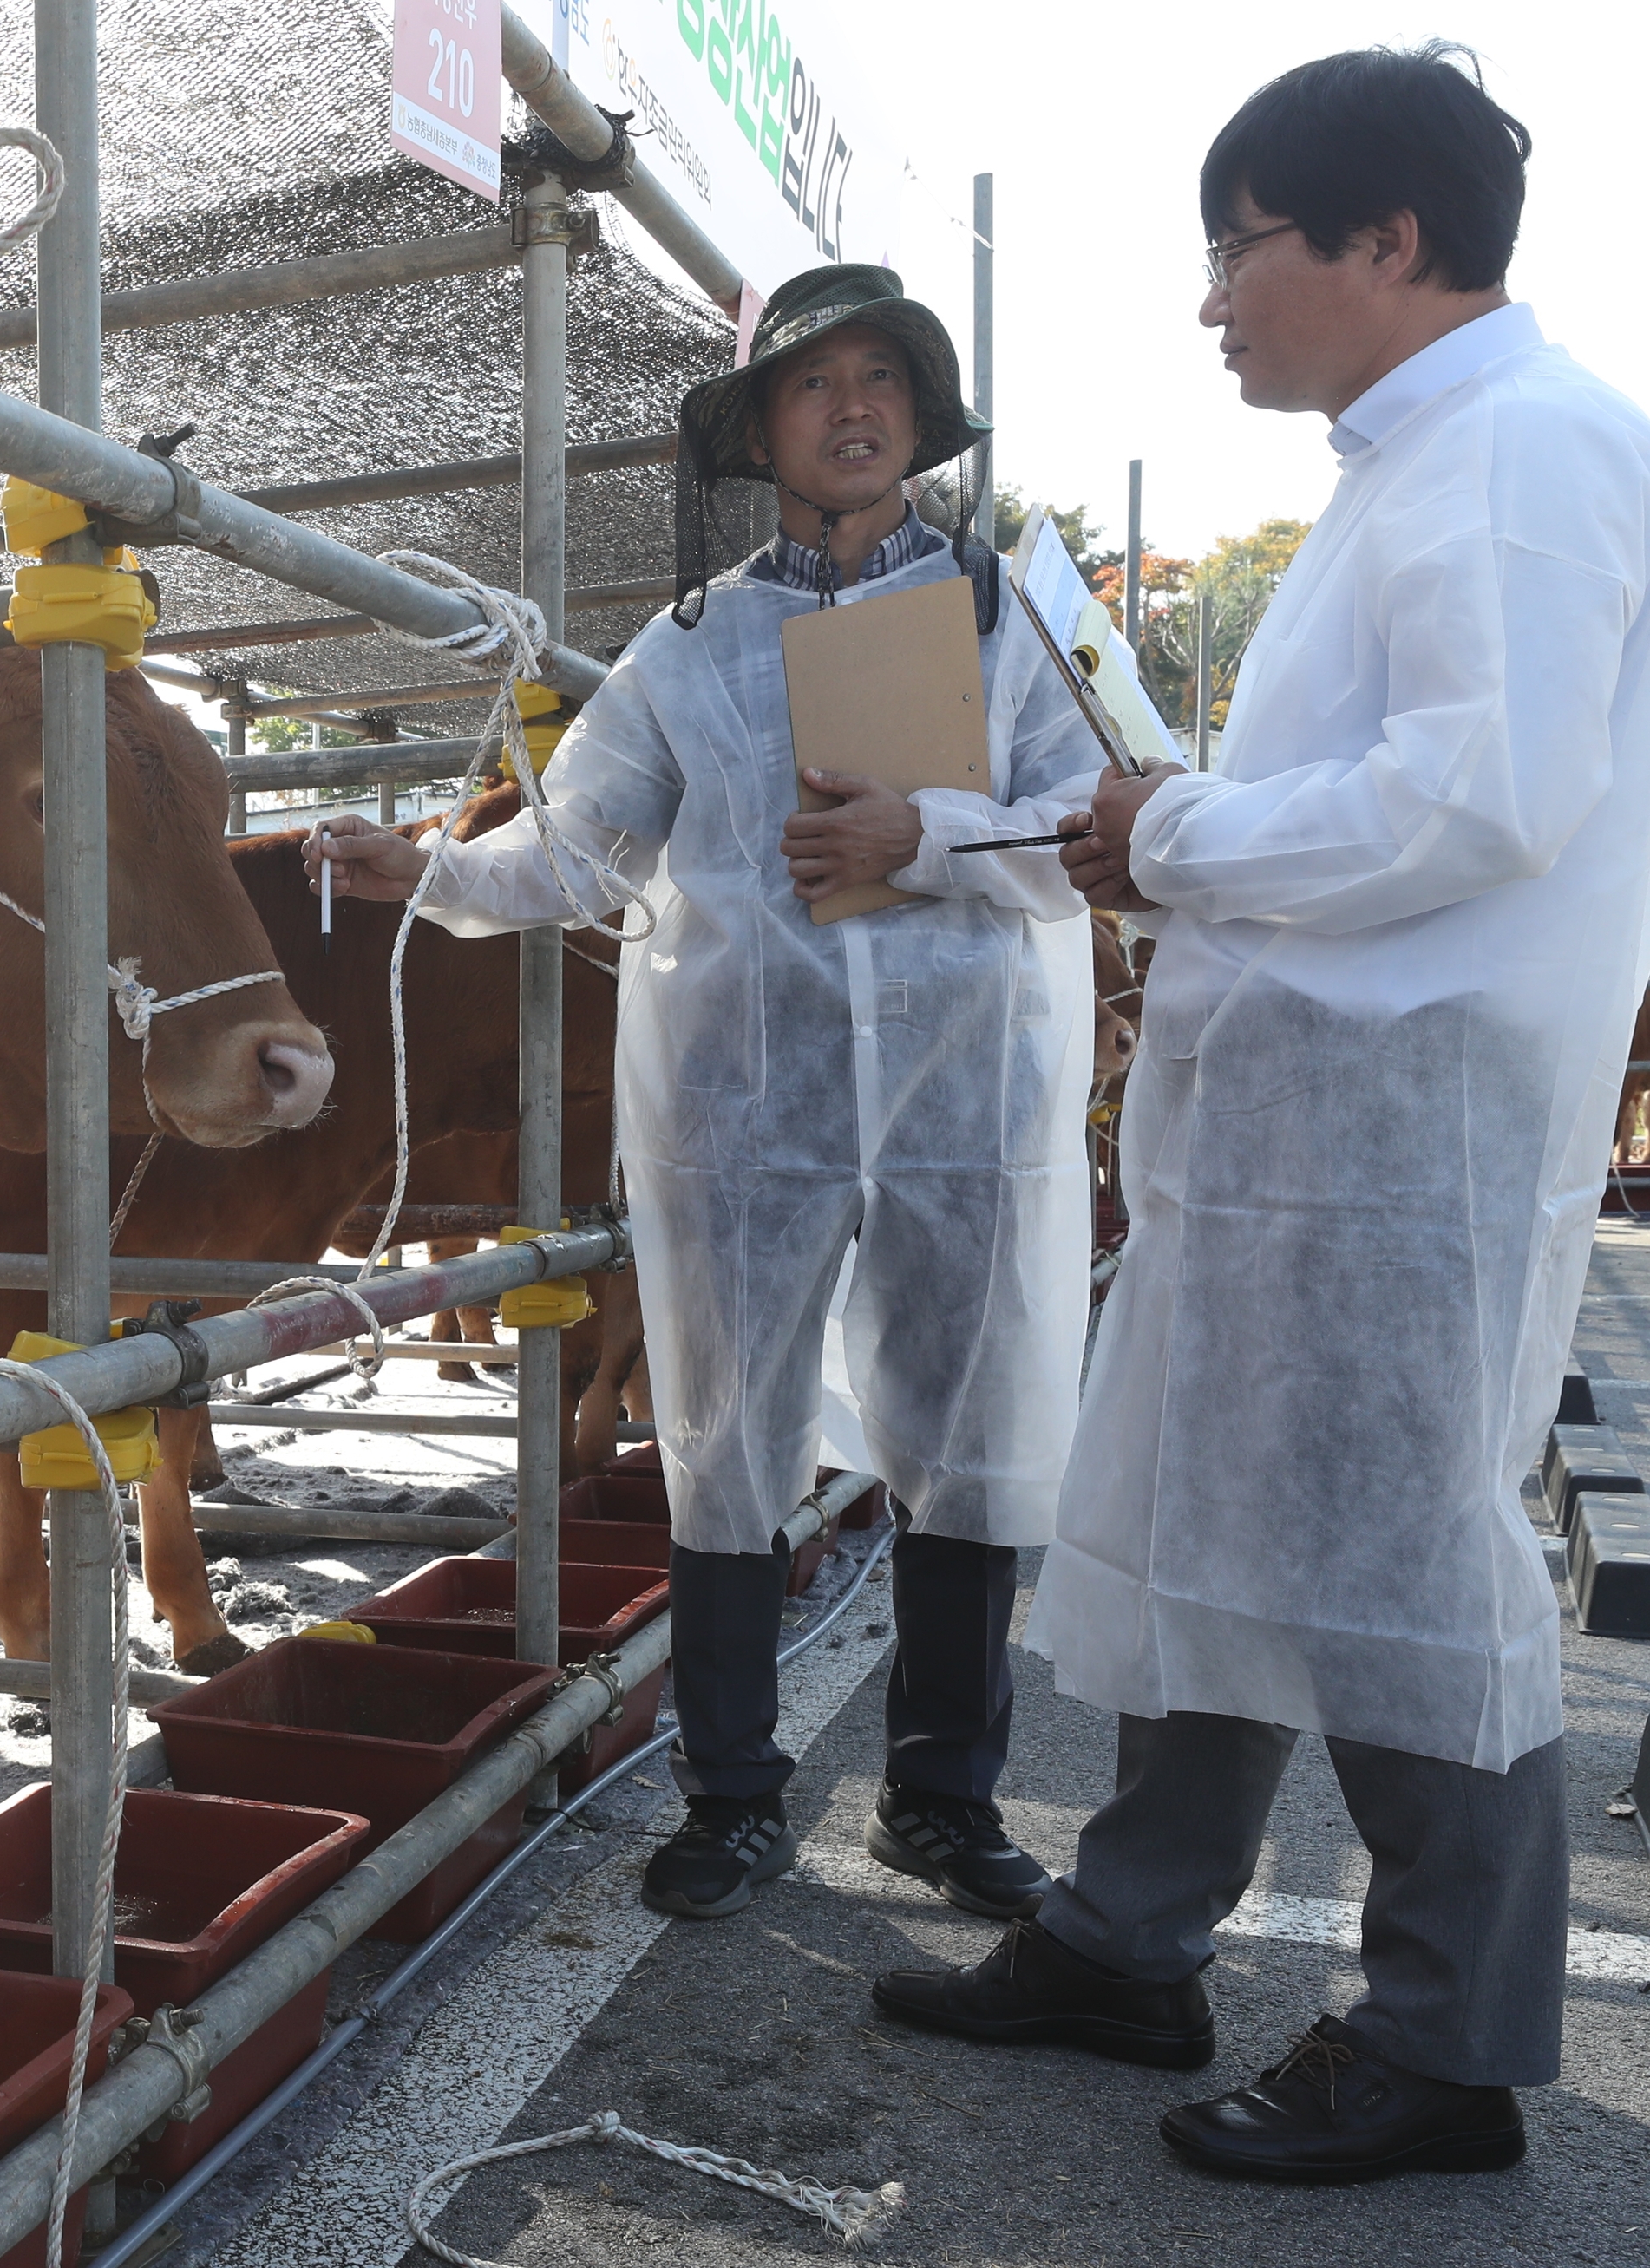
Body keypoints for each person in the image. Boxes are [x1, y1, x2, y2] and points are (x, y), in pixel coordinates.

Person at [876, 44, 1650, 2184]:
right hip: (1310, 1115)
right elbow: (1281, 813)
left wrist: (1181, 829)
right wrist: (1084, 832)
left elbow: (1478, 799)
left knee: (1396, 1557)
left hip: (1402, 1127)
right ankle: (1128, 1934)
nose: (1212, 299)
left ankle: (1445, 2046)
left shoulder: (1514, 453)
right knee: (1217, 1513)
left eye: (1237, 248)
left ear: (1383, 242)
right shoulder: (1416, 468)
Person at [308, 264, 1099, 1924]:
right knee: (729, 1439)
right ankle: (731, 1793)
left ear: (923, 417)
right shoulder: (692, 645)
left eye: (883, 377)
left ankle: (945, 1799)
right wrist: (430, 874)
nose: (855, 407)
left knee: (966, 1435)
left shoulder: (1015, 613)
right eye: (817, 385)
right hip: (754, 1107)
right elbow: (582, 848)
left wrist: (927, 838)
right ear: (765, 429)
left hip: (965, 1095)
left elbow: (1100, 825)